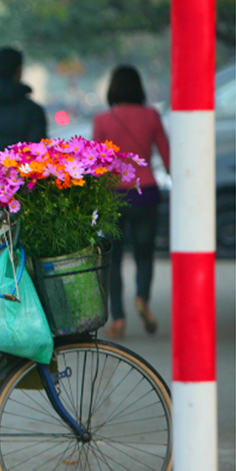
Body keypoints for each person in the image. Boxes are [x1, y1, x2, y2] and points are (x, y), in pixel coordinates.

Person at [90, 65, 170, 338]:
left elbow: (95, 165)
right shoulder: (151, 116)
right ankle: (142, 299)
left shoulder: (103, 120)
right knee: (144, 254)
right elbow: (168, 157)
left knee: (113, 257)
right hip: (146, 192)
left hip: (114, 196)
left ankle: (120, 319)